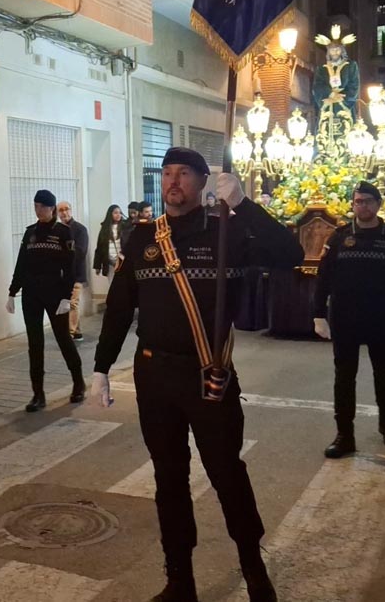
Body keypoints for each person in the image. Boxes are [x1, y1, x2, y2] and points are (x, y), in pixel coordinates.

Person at [89, 147, 303, 602]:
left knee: (227, 473)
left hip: (210, 375)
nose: (173, 181)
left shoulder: (229, 231)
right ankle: (179, 580)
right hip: (154, 375)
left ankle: (252, 566)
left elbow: (290, 253)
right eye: (167, 173)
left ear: (204, 181)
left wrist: (244, 205)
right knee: (169, 479)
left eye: (184, 173)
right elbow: (122, 306)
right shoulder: (142, 236)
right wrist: (101, 367)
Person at [313, 181, 385, 458]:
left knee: (383, 373)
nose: (363, 206)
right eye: (358, 201)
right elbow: (323, 278)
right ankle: (344, 435)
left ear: (378, 204)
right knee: (344, 377)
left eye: (368, 201)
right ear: (353, 204)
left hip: (381, 317)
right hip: (345, 317)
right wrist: (318, 315)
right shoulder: (339, 237)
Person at [7, 189, 86, 412]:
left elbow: (70, 267)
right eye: (35, 206)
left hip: (55, 294)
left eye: (41, 206)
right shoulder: (30, 233)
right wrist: (13, 292)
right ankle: (38, 394)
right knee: (35, 344)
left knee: (63, 339)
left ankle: (78, 383)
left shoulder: (63, 232)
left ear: (51, 208)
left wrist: (66, 296)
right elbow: (21, 264)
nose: (37, 210)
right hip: (32, 294)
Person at [58, 201, 90, 341]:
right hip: (61, 275)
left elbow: (81, 252)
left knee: (72, 303)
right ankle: (77, 332)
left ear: (71, 210)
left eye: (66, 209)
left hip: (76, 273)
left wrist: (63, 255)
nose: (64, 213)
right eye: (61, 210)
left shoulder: (80, 229)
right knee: (68, 302)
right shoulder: (57, 229)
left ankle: (69, 333)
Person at [92, 204, 125, 280]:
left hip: (122, 262)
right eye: (115, 213)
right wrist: (97, 266)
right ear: (110, 214)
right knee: (111, 286)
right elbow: (99, 248)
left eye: (120, 213)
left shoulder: (125, 227)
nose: (118, 215)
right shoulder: (104, 228)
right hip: (109, 262)